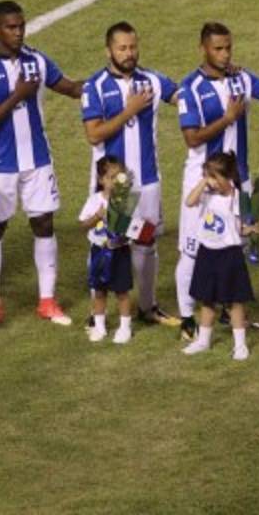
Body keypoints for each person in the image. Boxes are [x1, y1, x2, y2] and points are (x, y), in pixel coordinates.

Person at [0, 1, 83, 329]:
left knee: (44, 225)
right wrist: (18, 96)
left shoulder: (37, 61)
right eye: (11, 27)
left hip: (38, 160)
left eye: (21, 26)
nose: (18, 33)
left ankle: (47, 301)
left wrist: (108, 84)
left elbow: (71, 88)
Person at [81, 21, 180, 327]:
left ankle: (148, 307)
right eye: (122, 48)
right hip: (112, 186)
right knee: (105, 243)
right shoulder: (94, 86)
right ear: (108, 50)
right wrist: (129, 111)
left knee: (147, 245)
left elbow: (183, 95)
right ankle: (97, 313)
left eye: (133, 47)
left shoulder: (152, 79)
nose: (129, 53)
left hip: (148, 181)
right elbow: (94, 134)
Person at [176, 22, 259, 340]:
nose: (225, 53)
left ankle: (230, 312)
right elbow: (192, 138)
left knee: (232, 245)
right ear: (203, 48)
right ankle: (187, 317)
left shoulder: (242, 78)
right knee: (193, 248)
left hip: (235, 180)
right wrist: (228, 119)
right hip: (202, 181)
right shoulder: (189, 88)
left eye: (228, 47)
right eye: (218, 48)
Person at [182, 152, 256, 360]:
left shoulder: (238, 197)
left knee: (234, 302)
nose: (212, 182)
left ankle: (240, 345)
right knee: (207, 300)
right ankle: (203, 340)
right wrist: (205, 181)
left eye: (215, 177)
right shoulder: (206, 193)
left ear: (229, 176)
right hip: (207, 252)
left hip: (229, 255)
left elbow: (239, 227)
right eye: (208, 177)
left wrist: (249, 230)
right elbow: (189, 202)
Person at [78, 156, 136, 345]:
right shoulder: (94, 200)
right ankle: (99, 326)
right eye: (111, 177)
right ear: (101, 180)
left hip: (120, 253)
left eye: (120, 177)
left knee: (122, 291)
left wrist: (124, 233)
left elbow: (134, 230)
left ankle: (125, 327)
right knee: (99, 291)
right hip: (99, 253)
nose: (116, 181)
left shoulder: (126, 201)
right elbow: (82, 225)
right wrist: (97, 216)